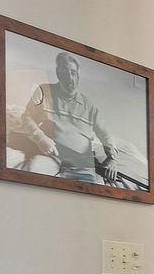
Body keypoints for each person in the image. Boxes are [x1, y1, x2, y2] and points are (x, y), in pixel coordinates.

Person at [10, 51, 116, 182]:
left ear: (78, 76)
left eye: (73, 73)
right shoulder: (44, 92)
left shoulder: (89, 105)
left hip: (81, 166)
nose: (70, 78)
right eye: (65, 72)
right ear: (58, 74)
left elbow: (106, 134)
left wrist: (112, 159)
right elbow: (26, 118)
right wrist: (41, 139)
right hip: (49, 158)